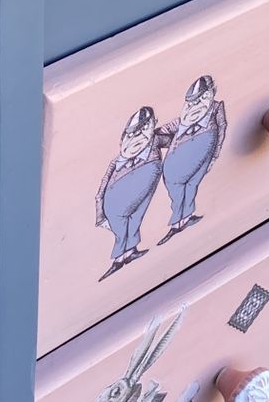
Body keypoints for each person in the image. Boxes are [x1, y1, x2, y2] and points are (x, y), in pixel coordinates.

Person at [94, 107, 165, 280]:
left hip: (145, 188)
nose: (138, 137)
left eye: (144, 130)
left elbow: (179, 130)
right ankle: (119, 259)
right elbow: (103, 185)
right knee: (120, 227)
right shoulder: (117, 162)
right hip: (118, 197)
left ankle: (130, 251)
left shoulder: (154, 142)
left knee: (135, 220)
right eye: (133, 134)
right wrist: (100, 214)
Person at [157, 75, 227, 244]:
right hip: (182, 156)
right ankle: (177, 222)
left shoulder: (216, 109)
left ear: (211, 93)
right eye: (196, 99)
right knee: (177, 189)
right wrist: (161, 135)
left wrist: (214, 156)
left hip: (204, 154)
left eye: (205, 96)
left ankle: (184, 218)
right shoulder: (188, 114)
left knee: (191, 185)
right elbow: (175, 125)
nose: (202, 101)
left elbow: (222, 130)